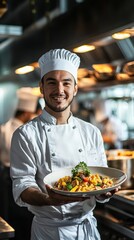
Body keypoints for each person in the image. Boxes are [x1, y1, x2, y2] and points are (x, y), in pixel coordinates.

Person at [10, 49, 119, 240]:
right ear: (41, 87)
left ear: (75, 88)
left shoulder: (91, 132)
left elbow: (100, 178)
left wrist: (104, 193)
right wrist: (49, 199)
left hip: (87, 229)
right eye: (51, 82)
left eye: (66, 82)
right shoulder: (25, 134)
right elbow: (22, 185)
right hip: (49, 232)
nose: (59, 90)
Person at [0, 88, 40, 240]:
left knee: (9, 215)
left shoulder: (4, 126)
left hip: (4, 176)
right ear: (25, 113)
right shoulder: (23, 132)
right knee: (22, 217)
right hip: (19, 178)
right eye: (31, 114)